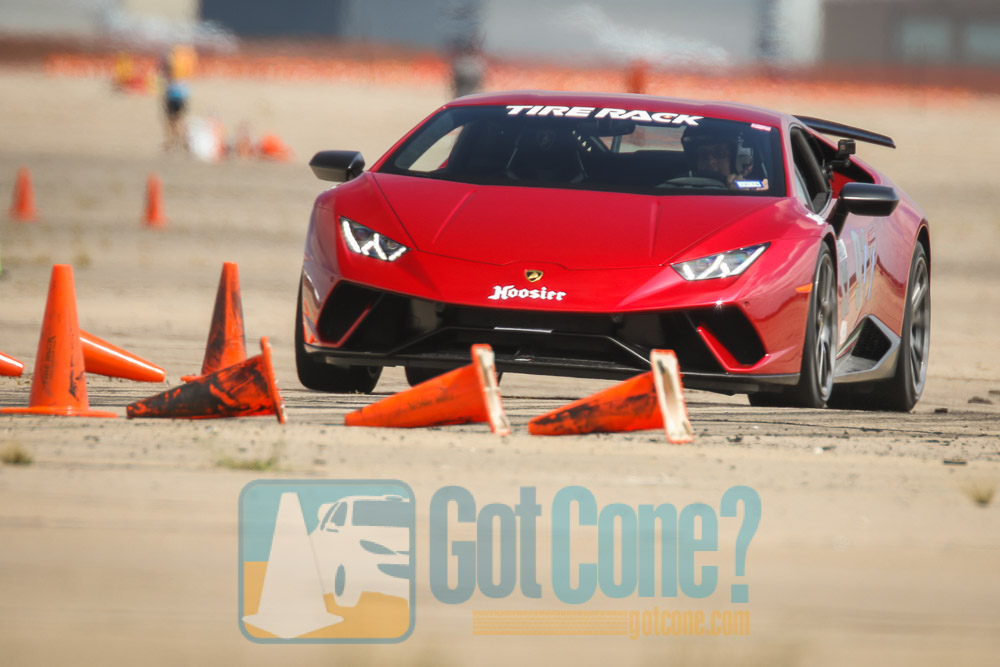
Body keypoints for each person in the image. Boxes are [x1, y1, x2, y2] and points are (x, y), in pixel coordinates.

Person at [682, 126, 768, 191]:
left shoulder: (753, 189)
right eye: (703, 155)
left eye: (719, 154)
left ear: (737, 159)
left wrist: (742, 193)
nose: (711, 161)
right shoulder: (681, 188)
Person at [160, 46, 194, 152]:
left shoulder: (172, 65)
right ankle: (184, 141)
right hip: (182, 94)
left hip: (173, 94)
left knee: (171, 120)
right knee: (178, 120)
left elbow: (164, 72)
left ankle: (172, 142)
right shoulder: (185, 64)